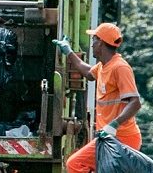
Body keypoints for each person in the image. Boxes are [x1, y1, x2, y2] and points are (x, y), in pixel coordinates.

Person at [53, 22, 142, 173]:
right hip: (112, 137)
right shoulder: (103, 66)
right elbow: (87, 72)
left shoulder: (120, 67)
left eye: (94, 39)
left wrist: (113, 125)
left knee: (74, 164)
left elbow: (135, 103)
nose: (92, 44)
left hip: (121, 138)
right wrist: (68, 51)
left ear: (101, 42)